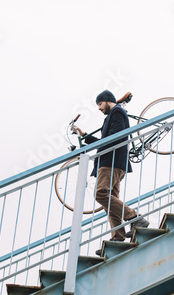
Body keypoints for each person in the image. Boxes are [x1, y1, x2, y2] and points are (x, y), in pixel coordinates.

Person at [73, 90, 149, 255]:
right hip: (114, 162)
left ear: (107, 101)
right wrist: (84, 135)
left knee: (101, 194)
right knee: (110, 202)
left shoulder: (117, 112)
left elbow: (114, 138)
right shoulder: (112, 115)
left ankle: (136, 218)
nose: (99, 108)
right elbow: (105, 142)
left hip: (111, 163)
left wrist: (95, 144)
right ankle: (118, 236)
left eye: (100, 104)